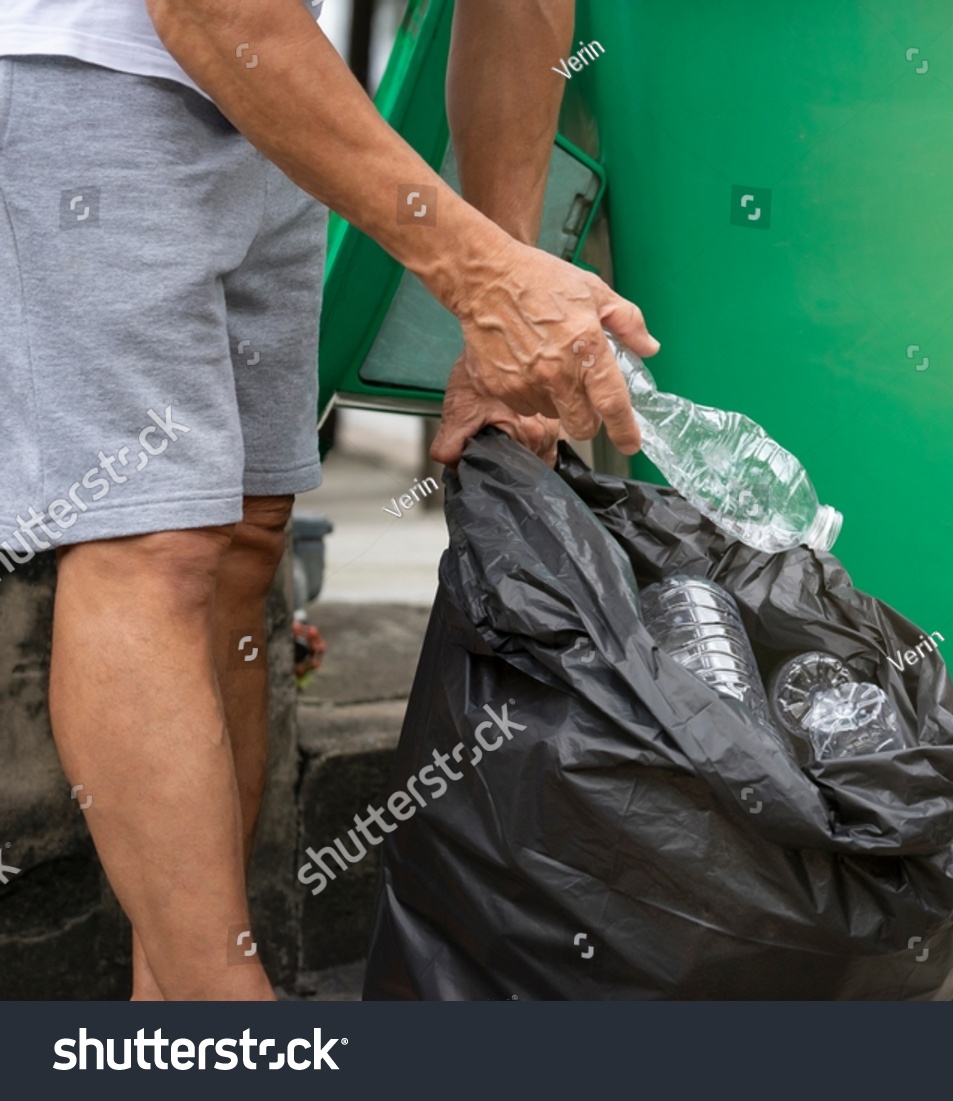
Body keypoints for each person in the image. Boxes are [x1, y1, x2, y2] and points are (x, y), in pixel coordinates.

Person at [0, 0, 655, 1000]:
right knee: (154, 539)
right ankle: (225, 1015)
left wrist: (502, 284)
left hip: (276, 96)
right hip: (89, 68)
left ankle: (166, 1007)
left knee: (248, 539)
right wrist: (480, 278)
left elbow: (517, 8)